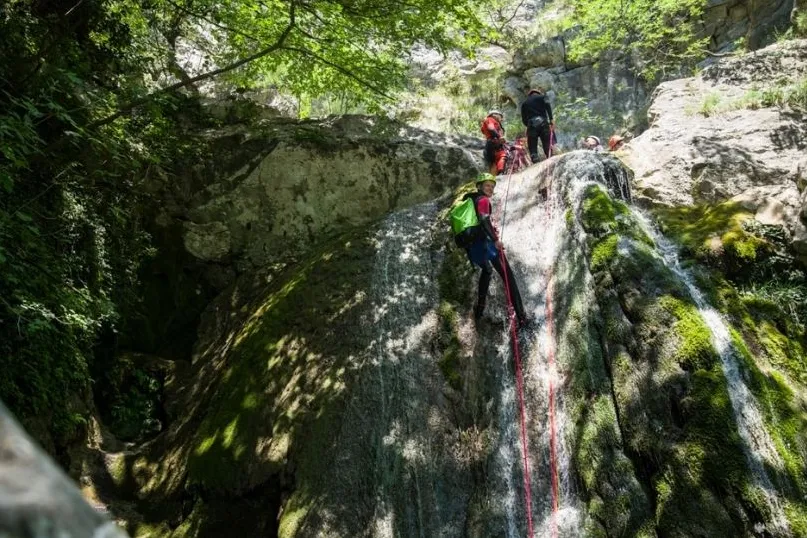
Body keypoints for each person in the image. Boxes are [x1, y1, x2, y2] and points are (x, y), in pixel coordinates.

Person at [462, 172, 529, 327]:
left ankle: (480, 306)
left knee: (487, 270)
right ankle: (522, 318)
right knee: (508, 277)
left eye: (492, 187)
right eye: (487, 185)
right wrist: (495, 240)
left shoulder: (469, 200)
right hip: (486, 244)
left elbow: (477, 221)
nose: (490, 189)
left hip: (473, 247)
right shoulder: (483, 200)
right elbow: (484, 220)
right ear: (479, 186)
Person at [520, 88, 554, 163]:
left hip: (531, 124)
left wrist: (528, 125)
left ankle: (535, 158)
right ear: (538, 93)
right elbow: (548, 106)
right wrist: (551, 119)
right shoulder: (542, 97)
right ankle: (549, 156)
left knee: (532, 144)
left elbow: (523, 118)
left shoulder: (525, 103)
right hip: (543, 122)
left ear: (530, 94)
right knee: (546, 142)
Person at [480, 110, 508, 176]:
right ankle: (500, 173)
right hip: (493, 143)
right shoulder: (490, 119)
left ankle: (495, 176)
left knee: (494, 162)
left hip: (493, 144)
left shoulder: (492, 122)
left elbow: (484, 131)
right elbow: (491, 128)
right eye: (500, 116)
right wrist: (499, 137)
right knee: (502, 155)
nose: (501, 119)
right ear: (494, 115)